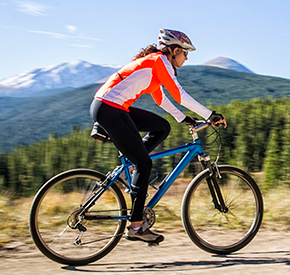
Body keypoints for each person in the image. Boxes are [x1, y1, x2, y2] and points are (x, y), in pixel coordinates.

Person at [89, 29, 226, 244]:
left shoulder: (155, 64)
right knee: (144, 164)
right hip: (109, 108)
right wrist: (210, 115)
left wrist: (184, 119)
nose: (186, 58)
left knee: (162, 127)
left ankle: (136, 164)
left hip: (112, 107)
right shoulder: (159, 60)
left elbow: (161, 99)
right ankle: (135, 226)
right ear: (174, 50)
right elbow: (179, 95)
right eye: (185, 53)